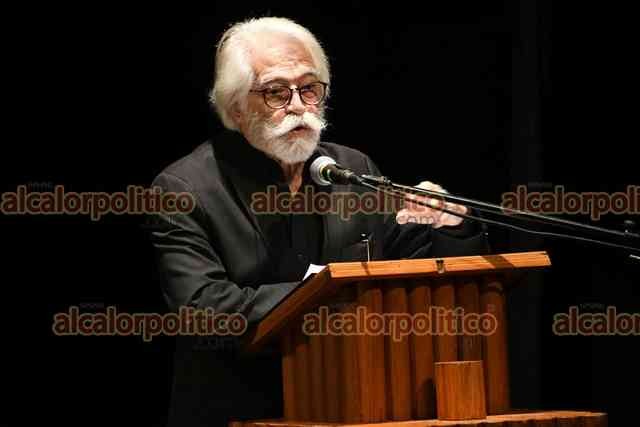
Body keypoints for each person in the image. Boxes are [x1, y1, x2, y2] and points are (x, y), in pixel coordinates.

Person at [145, 16, 490, 427]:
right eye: (276, 92)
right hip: (239, 410)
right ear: (236, 107)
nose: (298, 106)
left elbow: (412, 273)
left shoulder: (352, 170)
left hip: (354, 405)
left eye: (309, 88)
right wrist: (326, 293)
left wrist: (452, 226)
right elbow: (202, 310)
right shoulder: (185, 188)